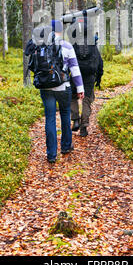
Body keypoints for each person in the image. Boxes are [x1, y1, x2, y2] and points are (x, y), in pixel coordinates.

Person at [27, 20, 84, 163]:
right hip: (63, 87)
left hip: (45, 88)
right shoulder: (66, 46)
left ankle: (51, 154)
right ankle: (65, 146)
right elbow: (74, 69)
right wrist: (80, 88)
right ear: (61, 30)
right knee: (65, 115)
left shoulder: (40, 45)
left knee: (50, 118)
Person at [70, 18, 104, 137]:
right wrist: (99, 77)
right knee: (87, 100)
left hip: (75, 75)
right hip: (89, 76)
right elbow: (100, 62)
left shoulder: (73, 44)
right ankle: (84, 126)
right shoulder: (92, 45)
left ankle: (75, 119)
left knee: (72, 97)